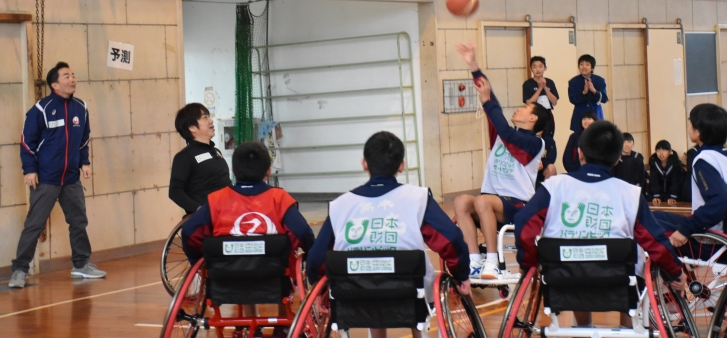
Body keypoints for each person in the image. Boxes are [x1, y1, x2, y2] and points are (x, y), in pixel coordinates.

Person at [514, 120, 685, 328]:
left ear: (579, 153)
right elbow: (654, 241)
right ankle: (627, 328)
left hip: (564, 282)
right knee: (629, 262)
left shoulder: (553, 186)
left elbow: (523, 224)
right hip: (620, 283)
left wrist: (529, 262)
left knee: (574, 261)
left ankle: (583, 327)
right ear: (617, 158)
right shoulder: (630, 194)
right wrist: (675, 271)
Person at [307, 131, 470, 338]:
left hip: (354, 297)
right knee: (408, 287)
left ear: (364, 164)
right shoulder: (417, 199)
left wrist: (321, 290)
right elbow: (451, 240)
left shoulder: (341, 205)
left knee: (368, 285)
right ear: (401, 165)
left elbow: (315, 260)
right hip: (410, 296)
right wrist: (461, 274)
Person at [182, 141, 315, 333]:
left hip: (226, 278)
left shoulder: (216, 200)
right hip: (274, 278)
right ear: (268, 171)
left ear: (233, 171)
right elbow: (302, 232)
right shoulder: (279, 199)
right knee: (281, 257)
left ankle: (249, 326)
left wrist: (197, 259)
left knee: (241, 263)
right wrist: (311, 254)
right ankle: (282, 322)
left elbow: (189, 232)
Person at [452, 41, 549, 280]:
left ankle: (493, 261)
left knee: (482, 201)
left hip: (517, 206)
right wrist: (474, 67)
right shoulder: (503, 136)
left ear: (533, 119)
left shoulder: (535, 144)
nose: (518, 109)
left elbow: (505, 128)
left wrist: (487, 102)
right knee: (462, 201)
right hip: (490, 204)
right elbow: (492, 101)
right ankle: (475, 260)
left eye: (524, 109)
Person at [9, 62, 106, 289]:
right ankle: (20, 270)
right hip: (46, 179)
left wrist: (84, 162)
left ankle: (81, 265)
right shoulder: (41, 109)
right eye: (66, 76)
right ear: (54, 84)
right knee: (34, 224)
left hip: (71, 179)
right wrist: (30, 169)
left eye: (73, 75)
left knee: (78, 222)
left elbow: (84, 139)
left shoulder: (81, 108)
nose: (72, 79)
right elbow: (27, 142)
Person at [654, 104, 727, 247]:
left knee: (647, 223)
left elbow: (721, 199)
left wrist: (685, 229)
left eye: (690, 123)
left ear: (698, 132)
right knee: (656, 215)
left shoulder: (704, 160)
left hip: (713, 240)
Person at [170, 103, 232, 215]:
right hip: (207, 219)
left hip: (228, 214)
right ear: (192, 127)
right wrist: (199, 210)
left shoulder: (216, 151)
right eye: (205, 117)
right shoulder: (184, 157)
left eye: (209, 117)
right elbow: (175, 191)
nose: (211, 121)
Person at [567, 54, 608, 132]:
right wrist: (584, 92)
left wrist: (594, 91)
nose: (584, 67)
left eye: (587, 65)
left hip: (596, 114)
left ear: (592, 68)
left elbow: (604, 99)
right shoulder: (573, 81)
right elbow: (572, 99)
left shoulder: (599, 80)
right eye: (581, 64)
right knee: (579, 137)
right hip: (579, 116)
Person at [647, 140, 683, 205]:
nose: (661, 153)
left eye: (664, 150)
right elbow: (654, 182)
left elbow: (676, 182)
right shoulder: (653, 164)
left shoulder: (676, 164)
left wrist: (673, 197)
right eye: (658, 150)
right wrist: (656, 196)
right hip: (657, 195)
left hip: (672, 195)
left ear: (670, 151)